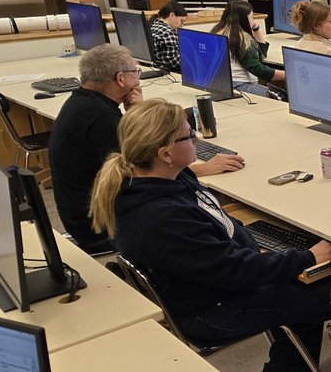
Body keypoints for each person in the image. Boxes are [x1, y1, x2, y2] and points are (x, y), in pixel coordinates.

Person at [90, 98, 331, 372]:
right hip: (211, 311)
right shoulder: (160, 217)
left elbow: (220, 228)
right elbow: (235, 271)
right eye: (188, 135)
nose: (195, 138)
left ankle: (289, 368)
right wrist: (307, 256)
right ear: (165, 153)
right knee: (330, 286)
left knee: (299, 270)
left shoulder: (170, 178)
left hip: (216, 284)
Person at [49, 44, 243, 253]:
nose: (139, 78)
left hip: (84, 214)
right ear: (121, 78)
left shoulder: (83, 103)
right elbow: (146, 171)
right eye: (136, 71)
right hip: (101, 226)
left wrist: (135, 115)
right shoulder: (102, 120)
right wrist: (206, 168)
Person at [212, 0, 284, 96]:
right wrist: (287, 75)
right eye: (252, 17)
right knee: (281, 96)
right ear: (244, 20)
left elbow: (261, 54)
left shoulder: (218, 31)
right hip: (240, 86)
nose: (253, 21)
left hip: (221, 84)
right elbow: (258, 69)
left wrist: (256, 28)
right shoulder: (242, 39)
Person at [150, 2, 188, 73]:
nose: (182, 25)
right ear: (172, 15)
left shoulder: (153, 26)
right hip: (168, 72)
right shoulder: (168, 33)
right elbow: (174, 62)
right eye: (181, 21)